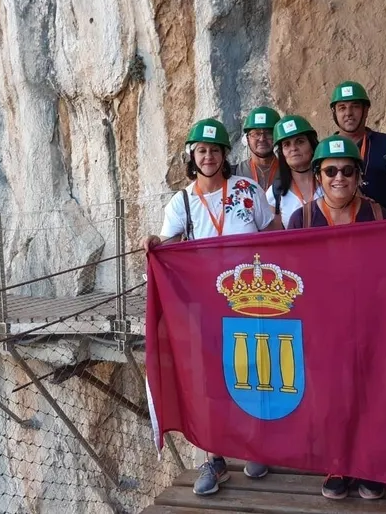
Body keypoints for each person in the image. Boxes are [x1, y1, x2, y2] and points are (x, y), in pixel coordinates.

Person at [141, 117, 278, 496]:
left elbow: (274, 235)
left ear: (224, 155)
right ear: (192, 156)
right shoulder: (181, 202)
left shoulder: (248, 190)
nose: (209, 156)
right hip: (204, 304)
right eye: (202, 150)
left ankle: (256, 444)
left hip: (250, 299)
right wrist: (156, 243)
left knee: (255, 366)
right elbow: (167, 249)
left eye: (215, 150)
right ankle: (214, 459)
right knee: (209, 379)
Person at [284, 134, 386, 501]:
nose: (338, 178)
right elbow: (291, 274)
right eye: (330, 171)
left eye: (347, 170)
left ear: (358, 174)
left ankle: (370, 463)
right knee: (329, 395)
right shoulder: (303, 218)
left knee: (370, 392)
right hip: (322, 324)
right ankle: (338, 462)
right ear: (318, 175)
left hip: (369, 319)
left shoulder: (377, 213)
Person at [329, 81, 386, 217]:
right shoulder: (325, 149)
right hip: (344, 232)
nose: (348, 113)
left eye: (355, 107)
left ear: (366, 109)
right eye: (342, 108)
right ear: (334, 112)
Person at [267, 115, 322, 226]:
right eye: (286, 144)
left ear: (312, 145)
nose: (293, 148)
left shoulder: (333, 181)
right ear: (282, 153)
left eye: (300, 141)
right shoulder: (275, 193)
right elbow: (276, 237)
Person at [234, 106, 281, 192]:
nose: (262, 138)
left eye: (269, 133)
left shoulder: (289, 172)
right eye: (256, 134)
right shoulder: (234, 173)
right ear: (247, 138)